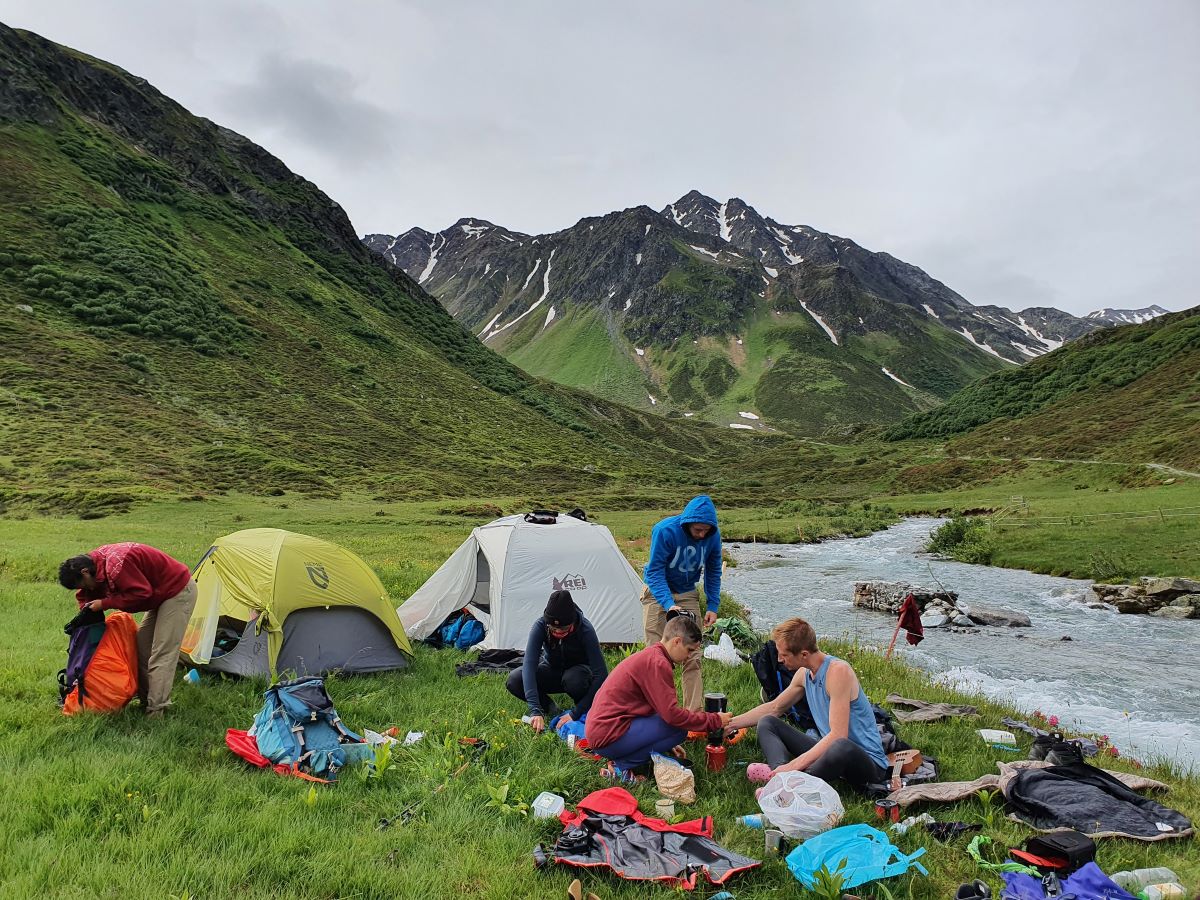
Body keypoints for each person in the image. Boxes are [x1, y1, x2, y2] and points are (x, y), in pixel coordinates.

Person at [727, 617, 888, 790]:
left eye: (784, 655)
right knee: (767, 722)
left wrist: (793, 765)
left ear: (804, 654)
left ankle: (788, 783)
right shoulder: (804, 673)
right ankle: (777, 774)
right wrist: (728, 724)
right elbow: (775, 708)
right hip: (828, 754)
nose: (780, 660)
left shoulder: (838, 672)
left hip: (867, 763)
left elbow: (838, 735)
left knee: (841, 746)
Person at [58, 543, 197, 719]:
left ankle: (156, 711)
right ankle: (146, 700)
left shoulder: (118, 564)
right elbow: (86, 595)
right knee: (141, 649)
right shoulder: (93, 564)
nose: (87, 589)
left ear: (85, 572)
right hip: (159, 595)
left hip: (178, 591)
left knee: (162, 653)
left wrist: (105, 604)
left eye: (84, 584)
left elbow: (141, 593)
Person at [586, 615, 731, 778]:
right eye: (689, 650)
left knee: (675, 727)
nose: (689, 656)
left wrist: (666, 744)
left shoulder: (653, 656)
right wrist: (715, 720)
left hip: (603, 730)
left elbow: (658, 709)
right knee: (680, 728)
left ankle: (624, 759)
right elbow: (672, 716)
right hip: (607, 735)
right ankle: (620, 767)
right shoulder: (658, 663)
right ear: (676, 641)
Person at [641, 494, 722, 710]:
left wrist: (713, 605)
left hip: (687, 591)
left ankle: (692, 714)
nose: (702, 534)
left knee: (693, 653)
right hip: (659, 591)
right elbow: (655, 571)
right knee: (655, 655)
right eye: (697, 530)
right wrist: (668, 604)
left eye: (706, 530)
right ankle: (656, 711)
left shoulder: (712, 536)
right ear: (687, 524)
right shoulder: (664, 530)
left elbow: (713, 570)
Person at [506, 589, 607, 733]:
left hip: (578, 673)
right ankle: (549, 708)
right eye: (553, 629)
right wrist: (535, 709)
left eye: (564, 629)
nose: (558, 633)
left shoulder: (586, 629)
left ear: (572, 622)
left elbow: (601, 674)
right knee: (515, 679)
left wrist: (576, 712)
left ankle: (582, 710)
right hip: (552, 670)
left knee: (574, 679)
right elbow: (529, 666)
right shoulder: (540, 626)